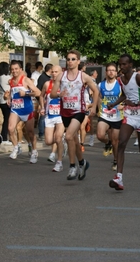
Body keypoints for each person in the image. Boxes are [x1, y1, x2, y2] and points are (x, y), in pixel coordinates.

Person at [107, 54, 140, 191]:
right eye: (120, 64)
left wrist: (136, 103)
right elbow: (124, 95)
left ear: (130, 65)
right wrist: (114, 103)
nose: (121, 67)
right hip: (129, 115)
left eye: (124, 64)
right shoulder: (120, 80)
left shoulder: (138, 77)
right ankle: (119, 178)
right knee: (121, 142)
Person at [50, 49, 99, 181]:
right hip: (65, 111)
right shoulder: (61, 76)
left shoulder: (83, 77)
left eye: (73, 59)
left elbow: (95, 90)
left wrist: (94, 106)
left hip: (79, 111)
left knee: (69, 136)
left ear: (78, 61)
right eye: (68, 59)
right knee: (74, 141)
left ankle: (72, 166)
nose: (70, 61)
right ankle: (82, 163)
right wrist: (59, 94)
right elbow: (52, 94)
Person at [6, 60, 41, 162]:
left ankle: (34, 151)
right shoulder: (11, 81)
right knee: (11, 128)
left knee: (30, 132)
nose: (14, 71)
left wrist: (26, 94)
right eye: (12, 69)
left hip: (27, 110)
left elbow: (38, 92)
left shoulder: (26, 80)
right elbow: (12, 92)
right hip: (15, 109)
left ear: (21, 69)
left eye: (16, 69)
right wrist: (8, 98)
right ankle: (16, 147)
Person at [96, 63, 123, 171]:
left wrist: (123, 105)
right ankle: (107, 143)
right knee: (100, 135)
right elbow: (98, 97)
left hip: (117, 116)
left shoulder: (120, 85)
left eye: (113, 70)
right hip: (105, 114)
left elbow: (127, 96)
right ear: (106, 72)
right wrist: (98, 109)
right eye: (109, 70)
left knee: (115, 141)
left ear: (116, 73)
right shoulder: (101, 85)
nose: (111, 72)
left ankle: (116, 160)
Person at [39, 65, 65, 172]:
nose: (54, 74)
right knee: (49, 141)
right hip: (49, 115)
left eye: (56, 72)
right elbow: (41, 96)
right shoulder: (47, 84)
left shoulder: (65, 84)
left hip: (61, 116)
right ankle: (62, 143)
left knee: (58, 138)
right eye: (52, 72)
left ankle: (59, 162)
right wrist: (42, 107)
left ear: (61, 72)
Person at [36, 63, 53, 141]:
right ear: (49, 70)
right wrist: (41, 101)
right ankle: (41, 134)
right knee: (42, 117)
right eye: (53, 70)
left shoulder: (51, 78)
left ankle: (49, 133)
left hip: (51, 101)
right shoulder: (42, 77)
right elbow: (38, 90)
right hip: (44, 100)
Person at [0, 61, 12, 144]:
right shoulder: (6, 78)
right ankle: (4, 138)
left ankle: (4, 137)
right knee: (7, 120)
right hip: (6, 101)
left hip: (0, 100)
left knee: (6, 119)